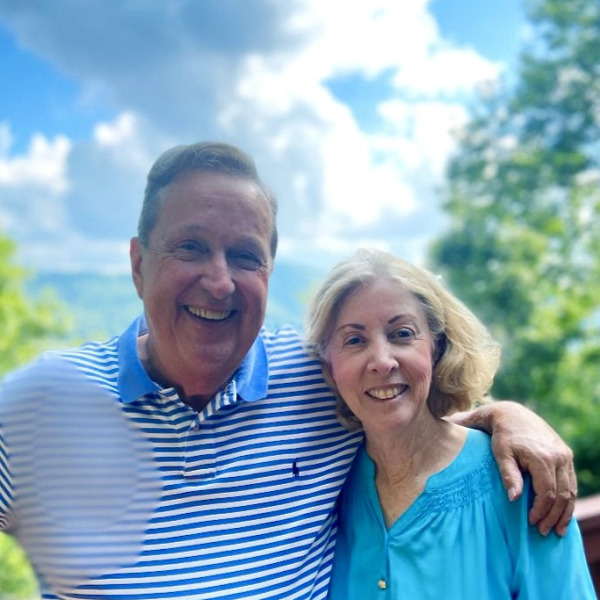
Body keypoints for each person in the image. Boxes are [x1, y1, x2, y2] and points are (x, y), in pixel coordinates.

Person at [0, 142, 578, 600]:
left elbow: (402, 405)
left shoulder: (314, 378)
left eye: (245, 256)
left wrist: (508, 418)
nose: (219, 281)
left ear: (269, 272)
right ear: (138, 265)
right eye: (190, 247)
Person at [305, 248, 595, 599]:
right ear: (329, 369)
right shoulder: (325, 488)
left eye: (402, 334)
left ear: (437, 347)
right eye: (354, 340)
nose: (382, 361)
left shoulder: (519, 479)